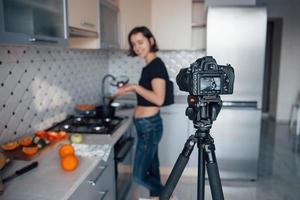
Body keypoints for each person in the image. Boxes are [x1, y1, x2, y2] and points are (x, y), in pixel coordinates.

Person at [115, 26, 172, 199]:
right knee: (152, 169)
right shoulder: (149, 66)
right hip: (145, 125)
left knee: (139, 176)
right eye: (134, 44)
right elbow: (149, 95)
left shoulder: (156, 66)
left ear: (151, 41)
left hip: (150, 126)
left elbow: (158, 99)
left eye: (140, 42)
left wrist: (134, 87)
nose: (137, 47)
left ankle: (167, 196)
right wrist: (132, 90)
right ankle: (156, 198)